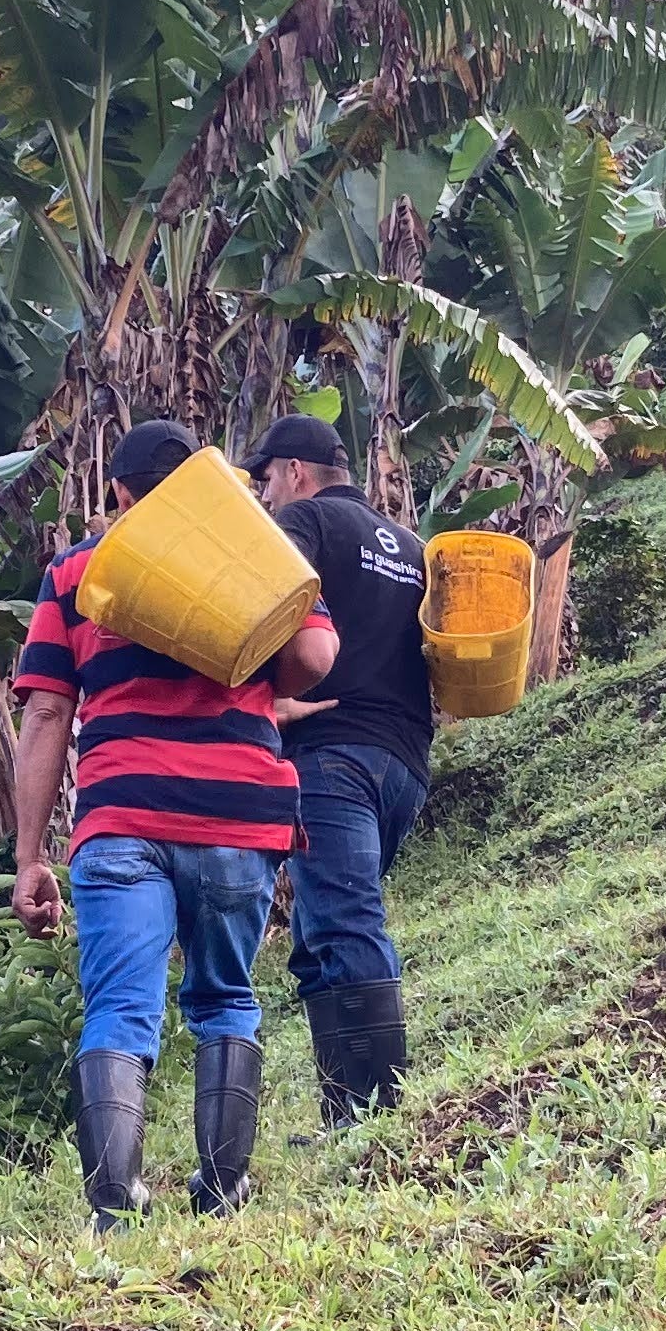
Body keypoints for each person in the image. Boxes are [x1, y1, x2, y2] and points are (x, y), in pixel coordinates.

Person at [9, 421, 340, 1225]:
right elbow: (316, 660)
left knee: (121, 1007)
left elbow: (49, 711)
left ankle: (113, 1210)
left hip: (123, 817)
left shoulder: (77, 572)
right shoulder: (250, 550)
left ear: (120, 494)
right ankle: (223, 1192)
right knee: (226, 997)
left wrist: (28, 856)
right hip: (237, 812)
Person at [247, 411, 432, 1123]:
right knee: (329, 925)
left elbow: (266, 609)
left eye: (266, 481)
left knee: (344, 923)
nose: (264, 499)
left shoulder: (307, 526)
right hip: (406, 768)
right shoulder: (412, 547)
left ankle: (375, 1113)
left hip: (334, 758)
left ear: (295, 472)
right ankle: (345, 1111)